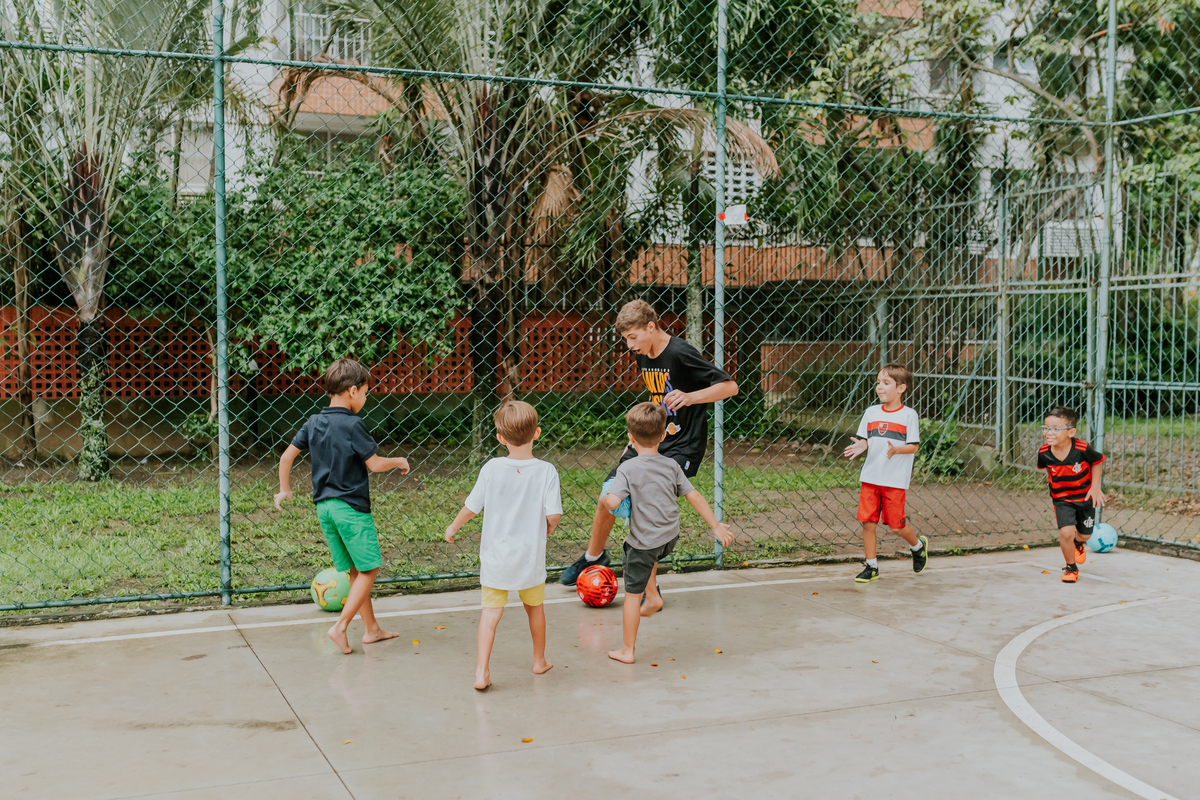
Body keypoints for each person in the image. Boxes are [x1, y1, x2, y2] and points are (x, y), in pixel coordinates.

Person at [559, 299, 738, 586]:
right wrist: (640, 440)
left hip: (683, 445)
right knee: (609, 494)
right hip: (654, 440)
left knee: (643, 502)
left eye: (633, 337)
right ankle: (593, 558)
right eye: (626, 339)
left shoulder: (679, 352)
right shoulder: (643, 352)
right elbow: (658, 396)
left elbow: (730, 386)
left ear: (651, 327)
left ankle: (647, 588)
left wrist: (691, 397)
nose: (630, 345)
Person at [275, 357, 411, 654]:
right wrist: (398, 460)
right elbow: (374, 464)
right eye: (365, 392)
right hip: (351, 509)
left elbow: (286, 458)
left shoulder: (313, 422)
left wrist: (285, 489)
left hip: (325, 509)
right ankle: (340, 626)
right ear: (352, 391)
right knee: (371, 569)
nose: (365, 398)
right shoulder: (353, 424)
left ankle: (372, 630)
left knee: (354, 570)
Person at [604, 402, 734, 664]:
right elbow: (694, 496)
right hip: (669, 538)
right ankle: (652, 596)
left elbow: (614, 503)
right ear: (664, 435)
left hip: (644, 543)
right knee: (649, 551)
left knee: (631, 592)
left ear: (630, 438)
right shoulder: (672, 465)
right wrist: (716, 526)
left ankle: (627, 650)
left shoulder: (627, 469)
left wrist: (607, 496)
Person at [444, 401, 562, 690]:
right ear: (537, 433)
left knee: (490, 616)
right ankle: (539, 661)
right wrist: (549, 526)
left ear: (500, 438)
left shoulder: (492, 467)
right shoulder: (546, 471)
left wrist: (454, 526)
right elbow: (553, 514)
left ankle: (482, 671)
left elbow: (472, 506)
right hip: (529, 559)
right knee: (535, 608)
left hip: (496, 560)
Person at [842, 364, 928, 582]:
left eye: (886, 383)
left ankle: (918, 547)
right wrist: (863, 445)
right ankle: (871, 567)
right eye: (878, 383)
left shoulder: (909, 415)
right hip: (870, 478)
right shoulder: (871, 412)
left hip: (894, 481)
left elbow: (914, 446)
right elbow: (865, 438)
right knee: (868, 523)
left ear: (901, 388)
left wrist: (897, 449)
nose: (880, 387)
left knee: (896, 527)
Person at [1036, 406, 1106, 583]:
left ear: (1071, 432)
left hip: (1084, 498)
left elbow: (1097, 461)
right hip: (1062, 500)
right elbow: (1050, 471)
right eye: (1046, 428)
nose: (1048, 432)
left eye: (1055, 429)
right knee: (1066, 532)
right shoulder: (1044, 453)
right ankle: (1071, 567)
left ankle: (1078, 543)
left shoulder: (1082, 449)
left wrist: (1095, 487)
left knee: (1084, 535)